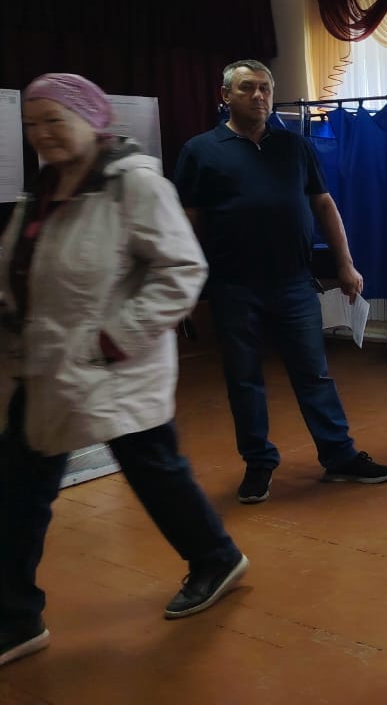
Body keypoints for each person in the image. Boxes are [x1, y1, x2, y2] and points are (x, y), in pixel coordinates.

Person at [0, 75, 249, 668]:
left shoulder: (134, 184)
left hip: (113, 368)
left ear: (92, 119)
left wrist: (113, 339)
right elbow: (25, 269)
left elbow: (182, 271)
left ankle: (215, 558)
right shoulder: (43, 191)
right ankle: (14, 617)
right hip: (45, 366)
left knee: (153, 472)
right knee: (19, 492)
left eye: (54, 119)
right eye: (31, 123)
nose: (41, 133)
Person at [173, 60, 387, 505]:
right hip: (234, 287)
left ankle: (339, 456)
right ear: (225, 96)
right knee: (244, 379)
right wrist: (184, 281)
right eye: (247, 88)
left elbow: (324, 205)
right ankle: (258, 464)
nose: (258, 96)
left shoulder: (295, 146)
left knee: (314, 374)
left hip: (294, 284)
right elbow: (188, 220)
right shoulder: (201, 150)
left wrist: (345, 264)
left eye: (265, 88)